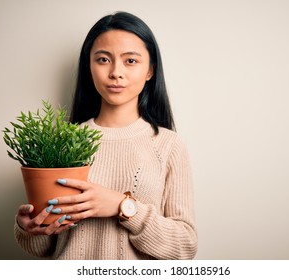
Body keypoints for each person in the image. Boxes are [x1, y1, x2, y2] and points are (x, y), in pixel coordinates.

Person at [14, 11, 197, 260]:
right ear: (89, 68)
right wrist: (31, 229)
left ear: (150, 71)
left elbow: (185, 247)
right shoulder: (61, 143)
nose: (115, 72)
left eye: (130, 61)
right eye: (103, 59)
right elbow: (43, 249)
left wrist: (123, 207)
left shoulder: (168, 145)